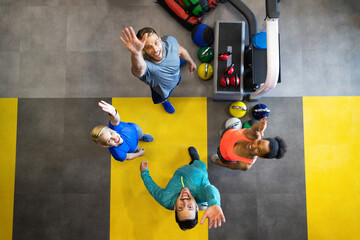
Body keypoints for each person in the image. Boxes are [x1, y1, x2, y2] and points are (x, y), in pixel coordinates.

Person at [140, 147, 225, 230]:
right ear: (196, 206)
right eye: (190, 207)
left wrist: (144, 173)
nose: (185, 201)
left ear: (175, 208)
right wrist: (214, 203)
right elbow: (211, 189)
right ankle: (195, 158)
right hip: (198, 168)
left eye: (180, 207)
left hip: (179, 172)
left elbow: (153, 189)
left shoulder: (165, 199)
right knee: (198, 163)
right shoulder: (202, 193)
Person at [120, 26, 197, 114]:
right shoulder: (147, 68)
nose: (155, 49)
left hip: (177, 76)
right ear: (143, 51)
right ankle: (164, 102)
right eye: (148, 47)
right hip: (162, 91)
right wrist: (136, 53)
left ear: (160, 40)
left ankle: (177, 61)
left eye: (156, 43)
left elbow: (181, 51)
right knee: (161, 98)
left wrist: (190, 61)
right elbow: (138, 69)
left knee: (177, 56)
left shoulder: (170, 41)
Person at [211, 117, 287, 171]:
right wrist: (259, 126)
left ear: (261, 157)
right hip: (228, 133)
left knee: (220, 154)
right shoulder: (254, 135)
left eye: (259, 150)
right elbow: (254, 128)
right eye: (259, 142)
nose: (253, 146)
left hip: (222, 153)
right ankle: (222, 134)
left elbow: (232, 166)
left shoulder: (245, 164)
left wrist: (219, 162)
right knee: (224, 133)